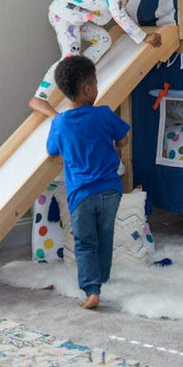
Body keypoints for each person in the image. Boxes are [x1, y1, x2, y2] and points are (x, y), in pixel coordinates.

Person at [29, 0, 165, 118]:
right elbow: (118, 14)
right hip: (64, 13)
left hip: (80, 16)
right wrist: (143, 36)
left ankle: (78, 73)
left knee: (104, 39)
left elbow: (120, 10)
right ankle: (40, 97)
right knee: (70, 55)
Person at [45, 55, 129, 309]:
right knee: (105, 235)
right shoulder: (103, 114)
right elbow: (124, 138)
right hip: (111, 190)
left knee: (84, 242)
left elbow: (51, 151)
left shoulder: (60, 123)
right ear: (88, 89)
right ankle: (102, 277)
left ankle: (92, 290)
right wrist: (116, 145)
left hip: (81, 194)